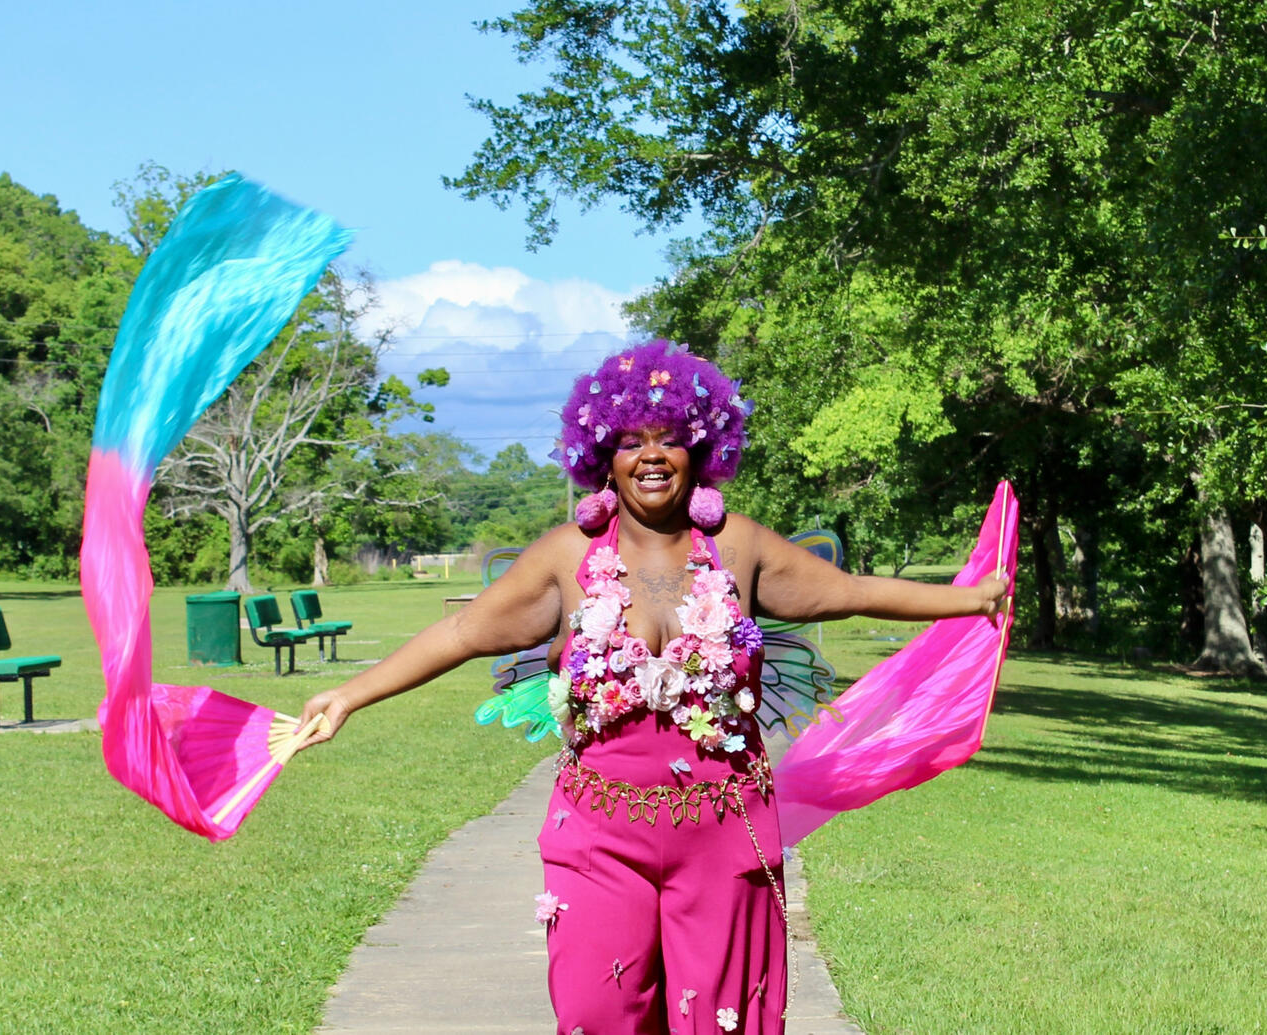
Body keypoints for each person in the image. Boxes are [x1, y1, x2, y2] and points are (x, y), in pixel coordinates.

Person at [298, 340, 1007, 1035]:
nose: (651, 456)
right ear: (601, 453)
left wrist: (972, 599)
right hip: (598, 835)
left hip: (726, 832)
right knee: (596, 1013)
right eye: (631, 439)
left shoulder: (740, 548)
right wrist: (348, 695)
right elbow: (459, 635)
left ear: (699, 450)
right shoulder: (564, 558)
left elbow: (850, 592)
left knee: (721, 1024)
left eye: (669, 438)